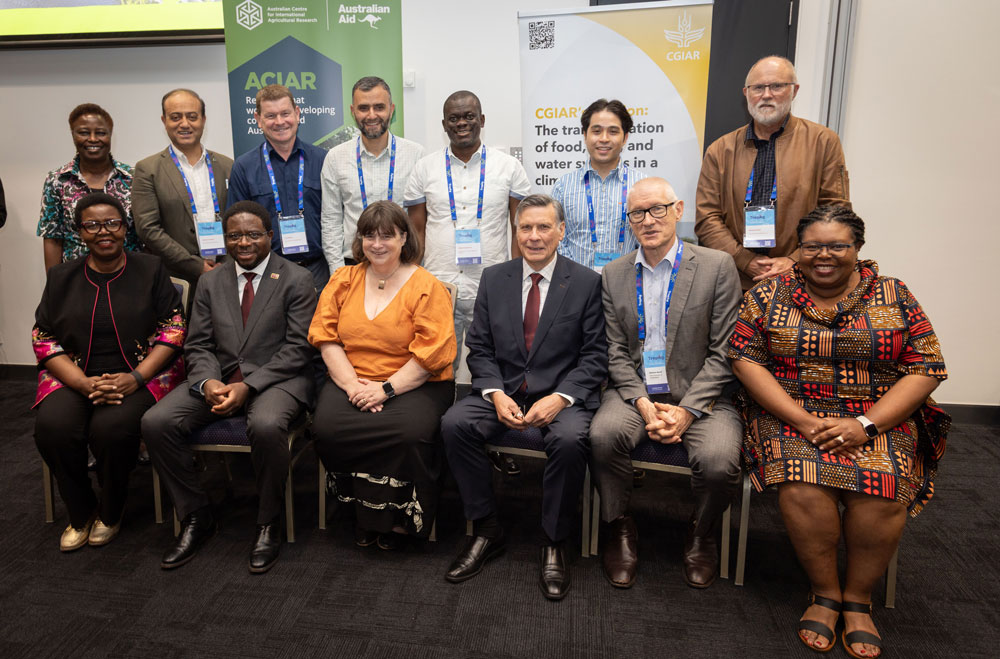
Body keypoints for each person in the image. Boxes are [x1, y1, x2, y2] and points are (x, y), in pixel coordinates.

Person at [728, 206, 949, 658]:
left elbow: (926, 366)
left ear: (857, 248)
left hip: (878, 415)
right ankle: (825, 592)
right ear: (799, 249)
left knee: (883, 488)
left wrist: (865, 425)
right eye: (812, 246)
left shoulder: (893, 293)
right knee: (803, 482)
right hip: (789, 413)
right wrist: (804, 421)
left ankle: (859, 598)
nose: (823, 255)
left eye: (836, 246)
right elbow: (745, 359)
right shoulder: (768, 293)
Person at [441, 194, 607, 601]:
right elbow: (479, 348)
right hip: (505, 390)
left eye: (544, 227)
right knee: (454, 424)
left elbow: (595, 356)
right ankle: (486, 529)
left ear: (561, 231)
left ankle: (554, 540)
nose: (534, 236)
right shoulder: (495, 278)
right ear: (515, 233)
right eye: (526, 228)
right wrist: (496, 393)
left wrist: (561, 397)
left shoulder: (586, 282)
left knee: (570, 440)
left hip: (561, 396)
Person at [141, 200, 318, 574]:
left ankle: (268, 521)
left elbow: (298, 348)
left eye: (253, 234)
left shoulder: (297, 279)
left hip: (278, 379)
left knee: (266, 425)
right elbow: (198, 344)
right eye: (234, 235)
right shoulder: (210, 281)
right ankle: (196, 515)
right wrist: (207, 382)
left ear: (270, 235)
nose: (244, 242)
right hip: (218, 379)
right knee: (156, 422)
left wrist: (249, 386)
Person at [589, 178, 742, 590]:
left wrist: (687, 411)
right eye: (637, 213)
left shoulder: (716, 266)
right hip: (635, 391)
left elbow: (724, 351)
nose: (648, 220)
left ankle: (701, 531)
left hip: (702, 396)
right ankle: (619, 525)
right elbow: (615, 351)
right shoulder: (614, 273)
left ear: (677, 210)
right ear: (629, 221)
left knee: (719, 461)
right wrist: (641, 403)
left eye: (657, 209)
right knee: (603, 435)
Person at [32, 192, 186, 551]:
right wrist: (83, 383)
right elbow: (43, 337)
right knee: (53, 428)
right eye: (92, 225)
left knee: (111, 429)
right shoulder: (61, 277)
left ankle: (112, 510)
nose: (104, 231)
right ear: (80, 232)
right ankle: (81, 510)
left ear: (125, 227)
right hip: (76, 376)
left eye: (112, 223)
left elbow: (174, 328)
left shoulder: (150, 269)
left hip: (139, 375)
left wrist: (135, 378)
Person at [308, 201, 456, 548]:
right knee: (327, 427)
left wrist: (385, 390)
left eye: (387, 236)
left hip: (415, 383)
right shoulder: (343, 280)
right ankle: (362, 513)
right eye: (369, 236)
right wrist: (352, 386)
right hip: (352, 378)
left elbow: (431, 355)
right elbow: (326, 339)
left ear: (404, 238)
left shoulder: (427, 286)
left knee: (409, 432)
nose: (377, 244)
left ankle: (400, 518)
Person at [695, 56, 850, 290]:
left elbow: (836, 212)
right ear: (746, 93)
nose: (766, 95)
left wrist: (794, 260)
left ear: (794, 91)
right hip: (736, 281)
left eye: (777, 86)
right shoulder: (720, 150)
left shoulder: (823, 141)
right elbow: (707, 218)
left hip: (802, 280)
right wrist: (745, 261)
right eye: (758, 88)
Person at [405, 90, 531, 377]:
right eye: (454, 118)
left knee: (493, 364)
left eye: (469, 116)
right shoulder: (424, 169)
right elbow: (416, 230)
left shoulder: (509, 167)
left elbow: (519, 229)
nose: (461, 123)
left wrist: (517, 281)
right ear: (444, 124)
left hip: (492, 284)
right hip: (438, 285)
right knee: (435, 366)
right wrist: (411, 281)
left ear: (482, 120)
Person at [227, 85, 329, 290]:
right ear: (258, 119)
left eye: (285, 113)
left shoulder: (324, 160)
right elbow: (236, 228)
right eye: (271, 116)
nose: (280, 122)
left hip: (318, 272)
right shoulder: (243, 167)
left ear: (297, 114)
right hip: (267, 275)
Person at [133, 89, 234, 288]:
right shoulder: (148, 169)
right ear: (164, 121)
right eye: (175, 117)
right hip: (177, 279)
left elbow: (239, 220)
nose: (185, 124)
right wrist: (196, 266)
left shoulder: (227, 165)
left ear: (203, 120)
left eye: (192, 117)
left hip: (228, 275)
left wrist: (228, 264)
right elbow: (148, 229)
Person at [321, 76, 424, 271]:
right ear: (353, 111)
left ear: (391, 109)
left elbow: (420, 222)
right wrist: (339, 272)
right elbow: (331, 222)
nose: (371, 115)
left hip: (402, 264)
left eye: (379, 107)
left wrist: (412, 271)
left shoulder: (416, 155)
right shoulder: (335, 158)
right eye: (363, 108)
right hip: (354, 266)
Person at [37, 103, 140, 270]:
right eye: (84, 132)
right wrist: (55, 282)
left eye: (100, 133)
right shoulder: (57, 180)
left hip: (129, 273)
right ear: (73, 134)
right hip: (76, 276)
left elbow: (146, 234)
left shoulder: (133, 178)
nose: (92, 139)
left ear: (110, 134)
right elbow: (52, 237)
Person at [552, 98, 646, 273]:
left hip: (628, 282)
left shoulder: (642, 186)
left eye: (613, 132)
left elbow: (649, 239)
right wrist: (575, 276)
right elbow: (556, 237)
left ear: (625, 138)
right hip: (576, 283)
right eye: (596, 131)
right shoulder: (563, 187)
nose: (604, 139)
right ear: (585, 135)